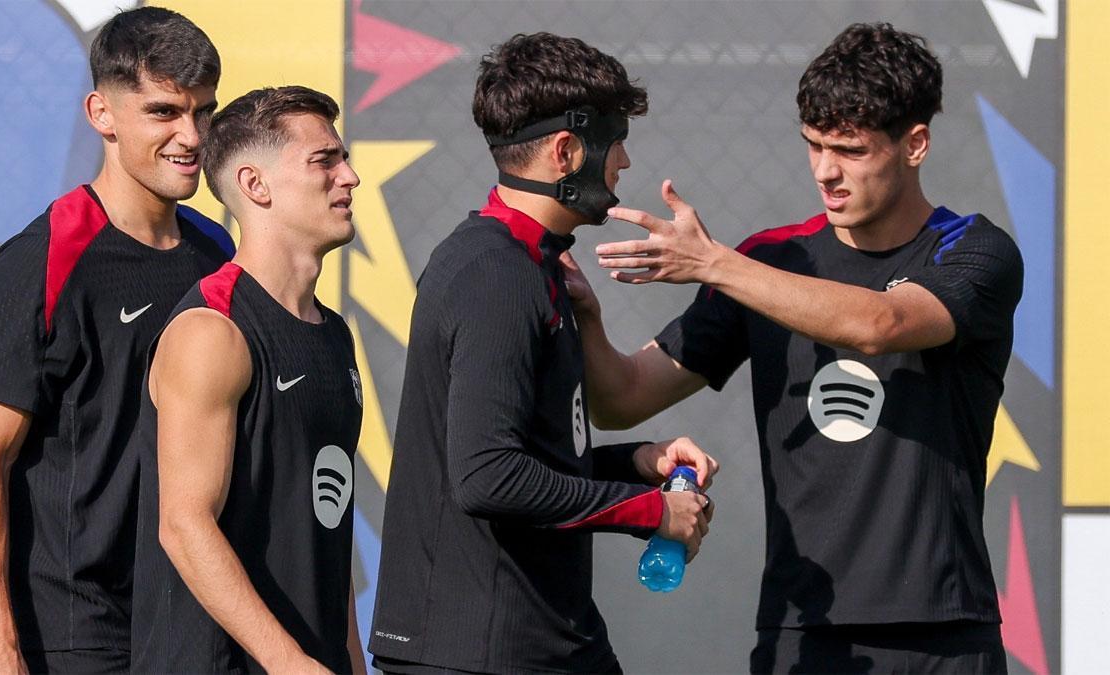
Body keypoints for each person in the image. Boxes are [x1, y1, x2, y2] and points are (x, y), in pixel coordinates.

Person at [569, 22, 1022, 674]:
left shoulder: (974, 251)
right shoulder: (771, 259)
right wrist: (581, 313)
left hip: (943, 631)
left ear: (914, 144)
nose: (825, 171)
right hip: (800, 628)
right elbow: (623, 398)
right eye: (812, 145)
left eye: (850, 149)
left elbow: (883, 324)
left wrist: (716, 264)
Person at [369, 32, 717, 674]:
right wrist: (650, 512)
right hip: (482, 653)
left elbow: (529, 457)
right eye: (617, 145)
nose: (625, 166)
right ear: (567, 151)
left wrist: (638, 463)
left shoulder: (531, 266)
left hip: (538, 640)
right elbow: (488, 476)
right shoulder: (495, 273)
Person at [0, 8, 228, 673]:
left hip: (188, 620)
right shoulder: (44, 257)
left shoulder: (217, 253)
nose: (191, 136)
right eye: (164, 112)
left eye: (204, 112)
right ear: (102, 113)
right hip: (72, 633)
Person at [130, 86, 364, 674]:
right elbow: (184, 526)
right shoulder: (211, 330)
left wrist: (348, 661)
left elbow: (326, 527)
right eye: (325, 161)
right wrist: (288, 661)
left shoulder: (333, 334)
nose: (350, 177)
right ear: (256, 187)